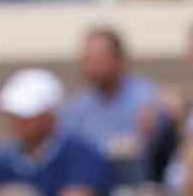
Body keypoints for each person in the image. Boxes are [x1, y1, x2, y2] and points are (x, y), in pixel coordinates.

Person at [0, 68, 116, 196]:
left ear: (50, 115)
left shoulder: (81, 154)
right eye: (13, 115)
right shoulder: (3, 158)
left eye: (26, 117)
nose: (17, 122)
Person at [63, 28, 162, 183]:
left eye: (99, 59)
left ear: (119, 60)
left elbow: (144, 146)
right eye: (87, 60)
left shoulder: (145, 96)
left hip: (135, 186)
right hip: (91, 187)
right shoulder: (77, 106)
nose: (91, 67)